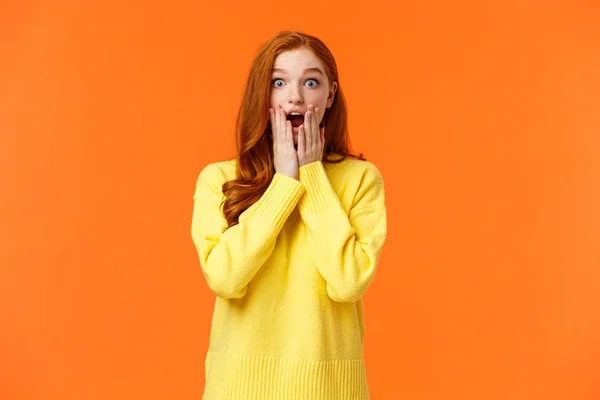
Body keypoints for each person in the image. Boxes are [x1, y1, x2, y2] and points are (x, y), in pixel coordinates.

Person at [191, 30, 388, 400]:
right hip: (237, 388)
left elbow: (348, 282)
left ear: (330, 94)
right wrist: (284, 183)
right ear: (261, 95)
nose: (295, 96)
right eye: (278, 82)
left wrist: (312, 176)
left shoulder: (360, 179)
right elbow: (225, 279)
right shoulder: (219, 179)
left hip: (329, 390)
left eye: (310, 81)